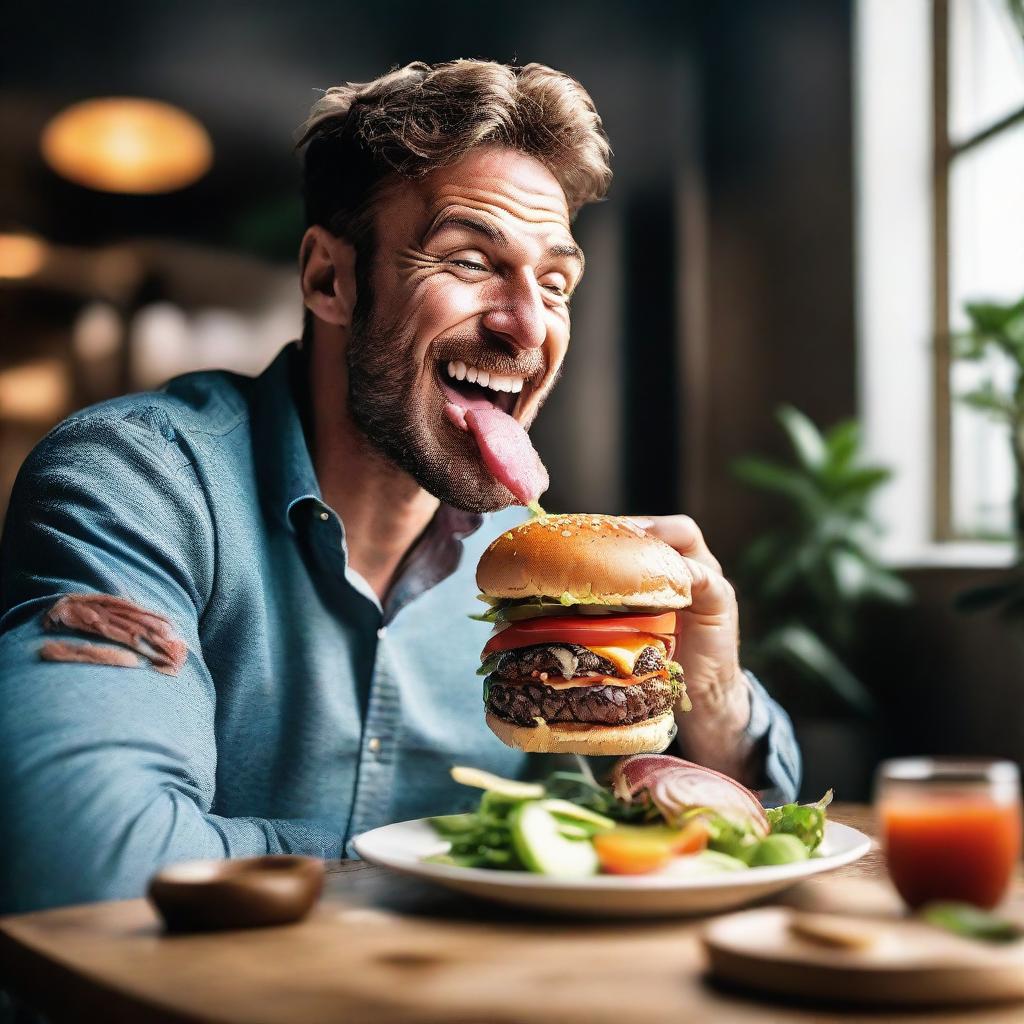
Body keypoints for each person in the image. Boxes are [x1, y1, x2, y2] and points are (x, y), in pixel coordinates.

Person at [0, 60, 799, 913]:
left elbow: (721, 850)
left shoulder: (535, 574)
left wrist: (712, 692)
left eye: (556, 283)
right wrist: (462, 858)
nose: (528, 322)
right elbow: (84, 862)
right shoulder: (136, 485)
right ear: (328, 280)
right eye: (468, 260)